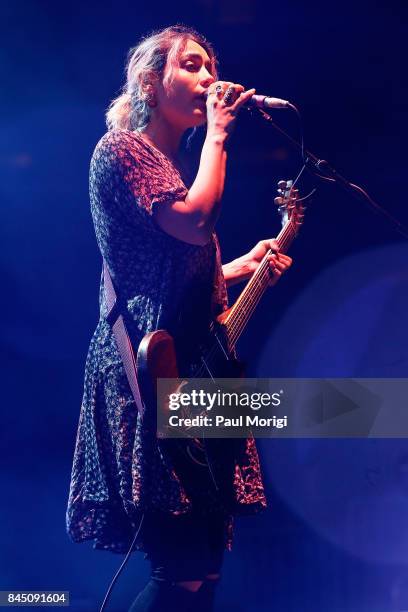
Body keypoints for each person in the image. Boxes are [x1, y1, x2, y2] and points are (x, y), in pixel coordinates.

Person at [66, 24, 292, 612]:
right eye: (191, 66)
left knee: (204, 565)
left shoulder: (166, 163)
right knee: (180, 566)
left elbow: (173, 260)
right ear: (149, 80)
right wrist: (219, 134)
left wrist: (240, 265)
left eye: (211, 67)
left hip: (194, 365)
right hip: (152, 364)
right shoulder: (121, 150)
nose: (209, 79)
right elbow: (193, 223)